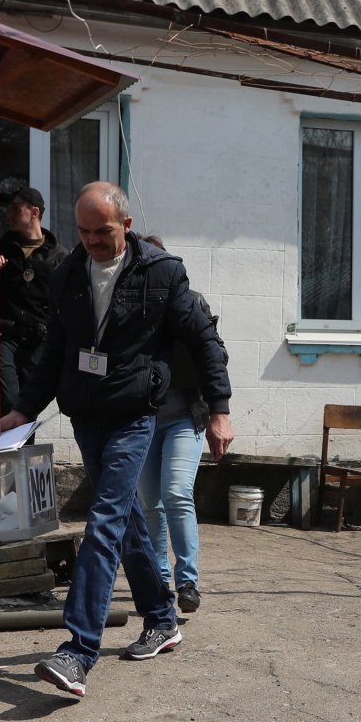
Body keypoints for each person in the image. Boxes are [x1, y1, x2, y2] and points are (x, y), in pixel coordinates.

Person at [0, 182, 234, 698]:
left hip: (133, 414)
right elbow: (56, 349)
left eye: (102, 231)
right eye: (83, 231)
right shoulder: (67, 274)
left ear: (125, 224)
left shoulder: (162, 273)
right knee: (123, 520)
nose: (92, 241)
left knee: (102, 521)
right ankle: (161, 618)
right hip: (86, 413)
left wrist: (219, 410)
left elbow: (204, 339)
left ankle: (77, 651)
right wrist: (22, 409)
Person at [133, 235, 220, 614]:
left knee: (176, 493)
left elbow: (216, 353)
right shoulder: (129, 310)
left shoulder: (191, 303)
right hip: (142, 422)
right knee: (149, 502)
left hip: (186, 416)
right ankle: (159, 578)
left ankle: (188, 582)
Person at [0, 177, 69, 414]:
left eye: (16, 209)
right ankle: (5, 451)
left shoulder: (58, 256)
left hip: (38, 339)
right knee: (9, 398)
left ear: (34, 212)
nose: (10, 214)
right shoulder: (0, 248)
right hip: (6, 334)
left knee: (28, 403)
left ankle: (22, 452)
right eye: (9, 209)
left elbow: (65, 301)